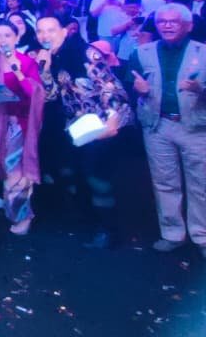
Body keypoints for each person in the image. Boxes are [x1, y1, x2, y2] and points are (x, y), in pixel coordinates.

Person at [129, 3, 206, 264]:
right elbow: (129, 87)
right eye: (162, 21)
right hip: (157, 126)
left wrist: (200, 90)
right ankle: (172, 233)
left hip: (197, 128)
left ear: (188, 26)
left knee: (202, 184)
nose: (167, 25)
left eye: (173, 21)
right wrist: (138, 90)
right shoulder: (141, 53)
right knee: (164, 182)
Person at [37, 14, 132, 249]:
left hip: (100, 122)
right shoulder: (50, 58)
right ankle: (91, 221)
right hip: (74, 126)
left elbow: (111, 87)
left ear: (64, 31)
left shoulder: (86, 52)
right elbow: (51, 96)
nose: (45, 36)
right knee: (73, 173)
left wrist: (111, 120)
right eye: (40, 31)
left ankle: (109, 231)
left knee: (96, 175)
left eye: (51, 30)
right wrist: (45, 70)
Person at [0, 23, 45, 234]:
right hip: (0, 122)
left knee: (16, 170)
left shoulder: (27, 62)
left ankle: (23, 217)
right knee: (6, 167)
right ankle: (15, 212)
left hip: (23, 123)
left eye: (8, 35)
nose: (3, 40)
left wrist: (17, 71)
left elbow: (35, 93)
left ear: (17, 38)